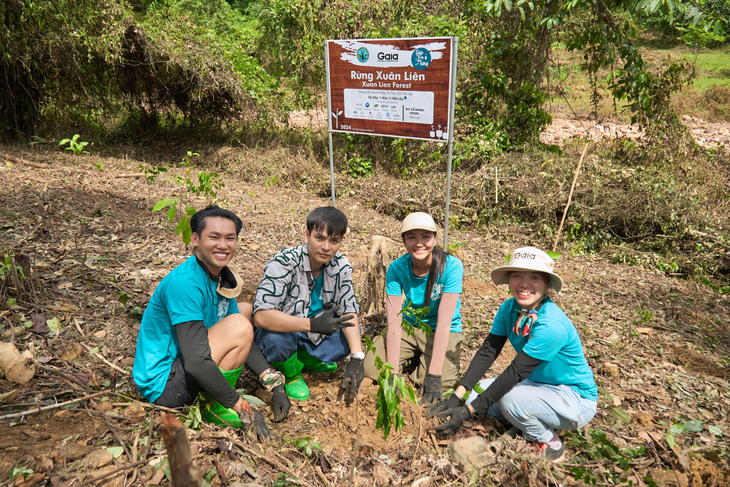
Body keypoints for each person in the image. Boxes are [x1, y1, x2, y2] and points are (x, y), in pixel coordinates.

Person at [427, 247, 597, 463]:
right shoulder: (509, 308)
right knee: (474, 396)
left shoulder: (551, 325)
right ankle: (532, 416)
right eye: (517, 275)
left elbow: (516, 371)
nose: (524, 284)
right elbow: (489, 351)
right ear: (509, 280)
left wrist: (468, 412)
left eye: (534, 277)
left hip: (573, 396)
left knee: (508, 402)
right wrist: (457, 396)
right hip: (536, 383)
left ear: (547, 285)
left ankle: (551, 442)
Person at [133, 205, 290, 437]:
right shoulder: (185, 283)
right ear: (195, 239)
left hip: (185, 364)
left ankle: (213, 396)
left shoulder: (219, 277)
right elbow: (197, 362)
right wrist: (241, 405)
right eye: (214, 237)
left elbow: (237, 331)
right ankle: (214, 406)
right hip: (165, 387)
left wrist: (273, 382)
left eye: (230, 238)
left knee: (243, 313)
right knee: (239, 324)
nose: (223, 245)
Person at [252, 206, 365, 403]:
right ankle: (292, 373)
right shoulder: (285, 263)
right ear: (307, 235)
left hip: (313, 333)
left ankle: (304, 358)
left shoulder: (340, 266)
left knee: (352, 332)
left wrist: (357, 357)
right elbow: (261, 316)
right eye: (319, 238)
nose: (326, 247)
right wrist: (313, 325)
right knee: (275, 341)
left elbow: (348, 309)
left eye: (334, 240)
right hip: (286, 330)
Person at [363, 212, 464, 404]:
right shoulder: (396, 268)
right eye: (412, 237)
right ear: (403, 241)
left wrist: (434, 375)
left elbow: (444, 321)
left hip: (441, 330)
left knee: (442, 383)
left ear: (434, 239)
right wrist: (392, 371)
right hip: (408, 328)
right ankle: (414, 359)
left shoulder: (451, 266)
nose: (419, 243)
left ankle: (426, 366)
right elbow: (393, 322)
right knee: (371, 368)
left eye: (425, 237)